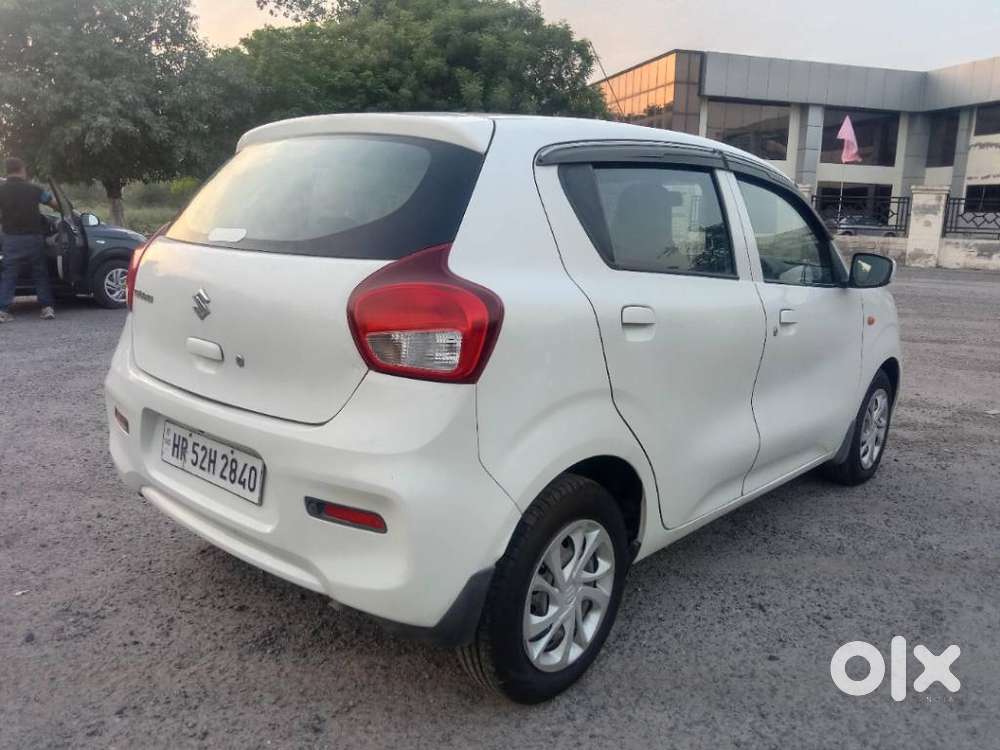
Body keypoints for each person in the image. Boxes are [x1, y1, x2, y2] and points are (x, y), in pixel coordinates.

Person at [0, 157, 60, 323]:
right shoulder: (34, 189)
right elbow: (55, 204)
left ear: (8, 170)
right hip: (33, 238)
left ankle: (2, 310)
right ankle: (47, 308)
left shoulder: (2, 190)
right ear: (21, 169)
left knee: (9, 275)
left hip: (10, 239)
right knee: (40, 272)